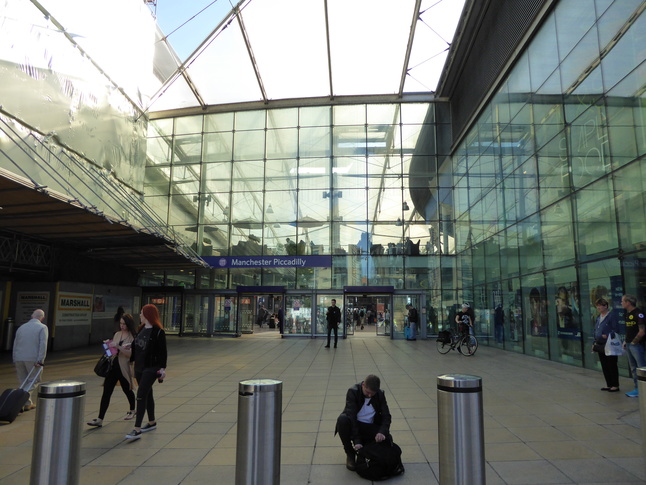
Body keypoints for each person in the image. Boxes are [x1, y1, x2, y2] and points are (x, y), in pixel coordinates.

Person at [87, 313, 137, 427]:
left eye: (124, 324)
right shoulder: (117, 334)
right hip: (113, 367)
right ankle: (100, 418)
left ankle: (133, 410)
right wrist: (108, 346)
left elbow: (130, 355)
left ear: (129, 324)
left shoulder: (132, 337)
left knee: (127, 390)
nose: (122, 326)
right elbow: (110, 354)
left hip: (123, 367)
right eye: (120, 323)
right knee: (106, 392)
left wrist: (119, 347)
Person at [126, 304, 167, 440]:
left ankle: (136, 429)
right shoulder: (142, 328)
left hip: (151, 367)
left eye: (142, 313)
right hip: (139, 367)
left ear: (148, 315)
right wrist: (130, 345)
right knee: (148, 394)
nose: (140, 315)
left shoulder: (158, 332)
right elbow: (139, 344)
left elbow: (163, 352)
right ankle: (151, 422)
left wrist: (162, 369)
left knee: (141, 394)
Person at [335, 375, 392, 471]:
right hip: (355, 425)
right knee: (342, 420)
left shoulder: (380, 394)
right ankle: (350, 453)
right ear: (363, 385)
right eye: (368, 392)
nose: (370, 395)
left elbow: (387, 416)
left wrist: (382, 432)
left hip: (370, 425)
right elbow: (352, 417)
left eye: (372, 394)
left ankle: (366, 448)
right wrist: (357, 440)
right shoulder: (353, 392)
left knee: (387, 441)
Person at [12, 309, 48, 412]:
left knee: (23, 380)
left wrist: (15, 357)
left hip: (19, 357)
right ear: (42, 318)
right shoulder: (42, 327)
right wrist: (40, 360)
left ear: (32, 316)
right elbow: (43, 345)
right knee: (35, 380)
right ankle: (20, 399)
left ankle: (28, 403)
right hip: (33, 358)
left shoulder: (21, 328)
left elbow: (15, 343)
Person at [591, 298, 620, 392]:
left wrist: (607, 335)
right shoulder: (598, 317)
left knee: (611, 364)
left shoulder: (611, 316)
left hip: (609, 343)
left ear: (606, 306)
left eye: (600, 305)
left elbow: (616, 329)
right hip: (600, 343)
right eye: (597, 306)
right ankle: (609, 384)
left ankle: (615, 385)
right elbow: (595, 330)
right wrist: (594, 342)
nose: (599, 307)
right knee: (604, 364)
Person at [622, 294, 645, 397]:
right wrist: (625, 341)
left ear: (628, 302)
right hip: (629, 343)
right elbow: (629, 330)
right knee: (633, 368)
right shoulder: (628, 314)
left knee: (641, 367)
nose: (621, 303)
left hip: (637, 345)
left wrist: (634, 342)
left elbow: (642, 331)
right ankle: (637, 388)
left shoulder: (638, 314)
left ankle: (643, 388)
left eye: (623, 301)